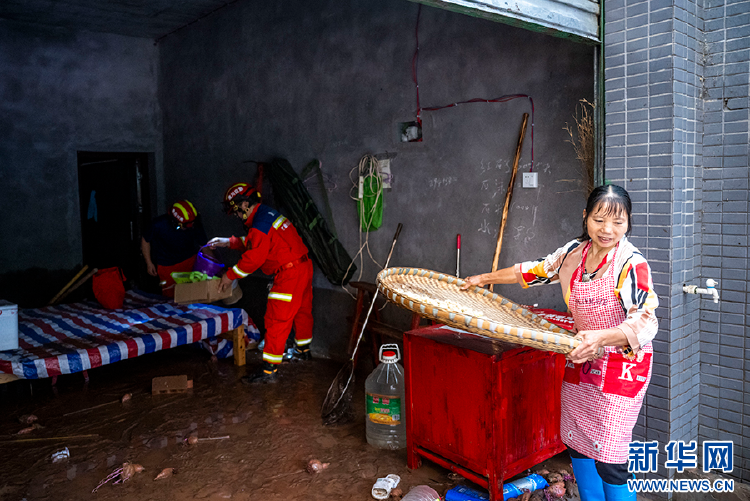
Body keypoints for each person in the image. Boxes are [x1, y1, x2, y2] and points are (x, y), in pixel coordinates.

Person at [462, 185, 658, 501]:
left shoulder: (630, 263)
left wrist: (600, 337)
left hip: (623, 367)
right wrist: (484, 279)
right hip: (582, 359)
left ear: (628, 222)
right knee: (577, 444)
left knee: (610, 458)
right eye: (599, 220)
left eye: (618, 222)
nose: (608, 230)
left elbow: (646, 321)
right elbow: (533, 271)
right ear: (586, 218)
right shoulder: (573, 254)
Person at [208, 182, 313, 384]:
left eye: (237, 212)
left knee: (276, 319)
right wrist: (228, 241)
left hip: (288, 274)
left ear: (244, 204)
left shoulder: (259, 225)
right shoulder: (266, 215)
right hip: (303, 267)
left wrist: (229, 275)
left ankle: (268, 369)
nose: (237, 216)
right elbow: (257, 242)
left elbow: (253, 259)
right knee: (302, 310)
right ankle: (303, 350)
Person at [141, 200, 208, 297]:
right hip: (167, 266)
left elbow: (204, 245)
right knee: (171, 297)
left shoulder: (194, 224)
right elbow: (145, 240)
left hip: (190, 261)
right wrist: (149, 263)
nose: (190, 226)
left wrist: (215, 264)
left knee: (192, 294)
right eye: (186, 225)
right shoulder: (159, 224)